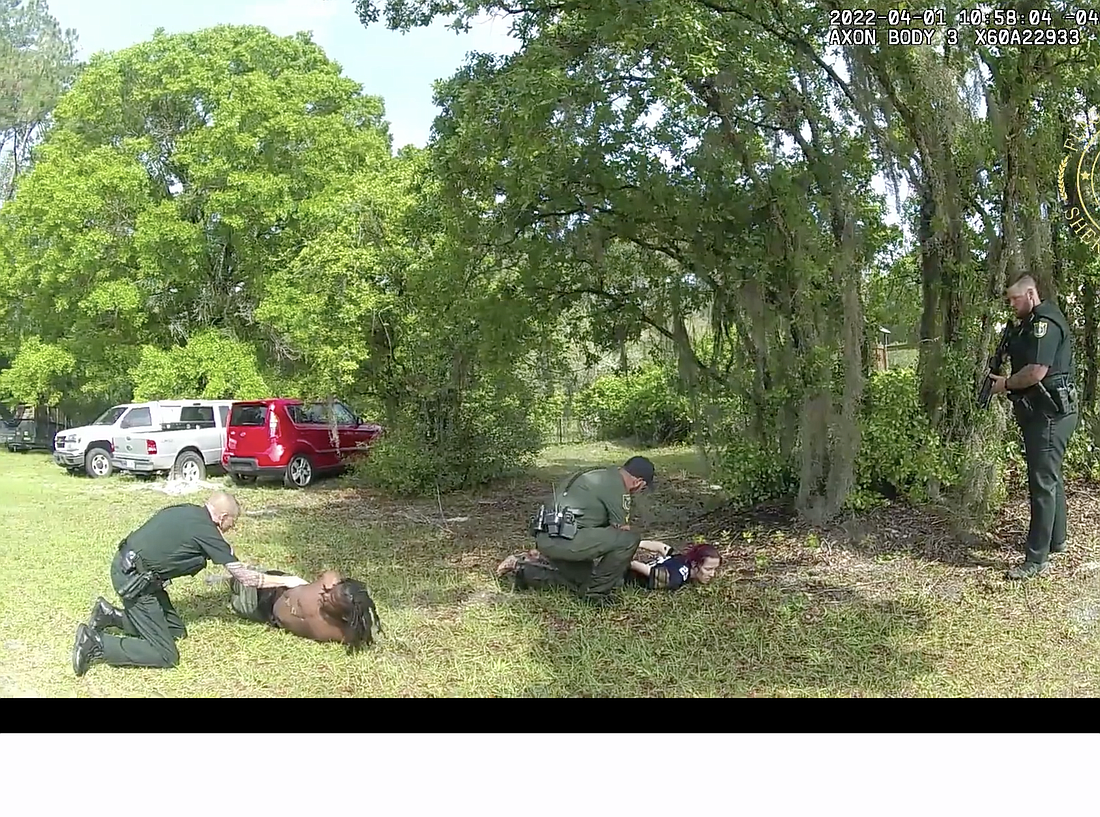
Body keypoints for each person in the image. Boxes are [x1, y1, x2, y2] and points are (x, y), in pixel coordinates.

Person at [71, 491, 309, 676]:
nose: (232, 528)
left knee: (175, 630)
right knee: (165, 654)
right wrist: (287, 580)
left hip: (136, 571)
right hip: (134, 582)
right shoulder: (206, 531)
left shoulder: (189, 511)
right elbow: (245, 578)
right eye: (233, 523)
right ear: (223, 517)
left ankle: (110, 616)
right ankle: (96, 643)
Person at [990, 274, 1078, 580]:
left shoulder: (1045, 323)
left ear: (1030, 294)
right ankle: (1056, 540)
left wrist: (1005, 384)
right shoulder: (1029, 324)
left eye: (1014, 299)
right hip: (1044, 411)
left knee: (1041, 483)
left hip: (1050, 413)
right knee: (1050, 477)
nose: (1011, 304)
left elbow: (1036, 372)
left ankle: (1036, 558)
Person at [527, 456, 656, 606]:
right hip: (567, 540)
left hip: (547, 538)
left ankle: (527, 571)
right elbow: (622, 531)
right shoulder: (618, 488)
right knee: (630, 539)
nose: (639, 491)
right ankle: (595, 595)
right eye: (643, 488)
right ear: (638, 482)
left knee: (587, 577)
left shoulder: (597, 475)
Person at [226, 568, 383, 652]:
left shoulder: (341, 631)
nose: (325, 595)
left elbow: (363, 632)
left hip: (265, 612)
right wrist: (331, 579)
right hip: (274, 588)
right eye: (330, 591)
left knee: (235, 604)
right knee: (236, 580)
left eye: (331, 600)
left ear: (343, 615)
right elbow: (331, 573)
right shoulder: (327, 584)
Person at [625, 542, 722, 591]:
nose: (712, 574)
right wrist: (628, 563)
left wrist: (638, 543)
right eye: (708, 569)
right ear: (694, 564)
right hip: (626, 578)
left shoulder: (683, 558)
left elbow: (663, 547)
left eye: (714, 569)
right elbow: (654, 573)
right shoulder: (678, 576)